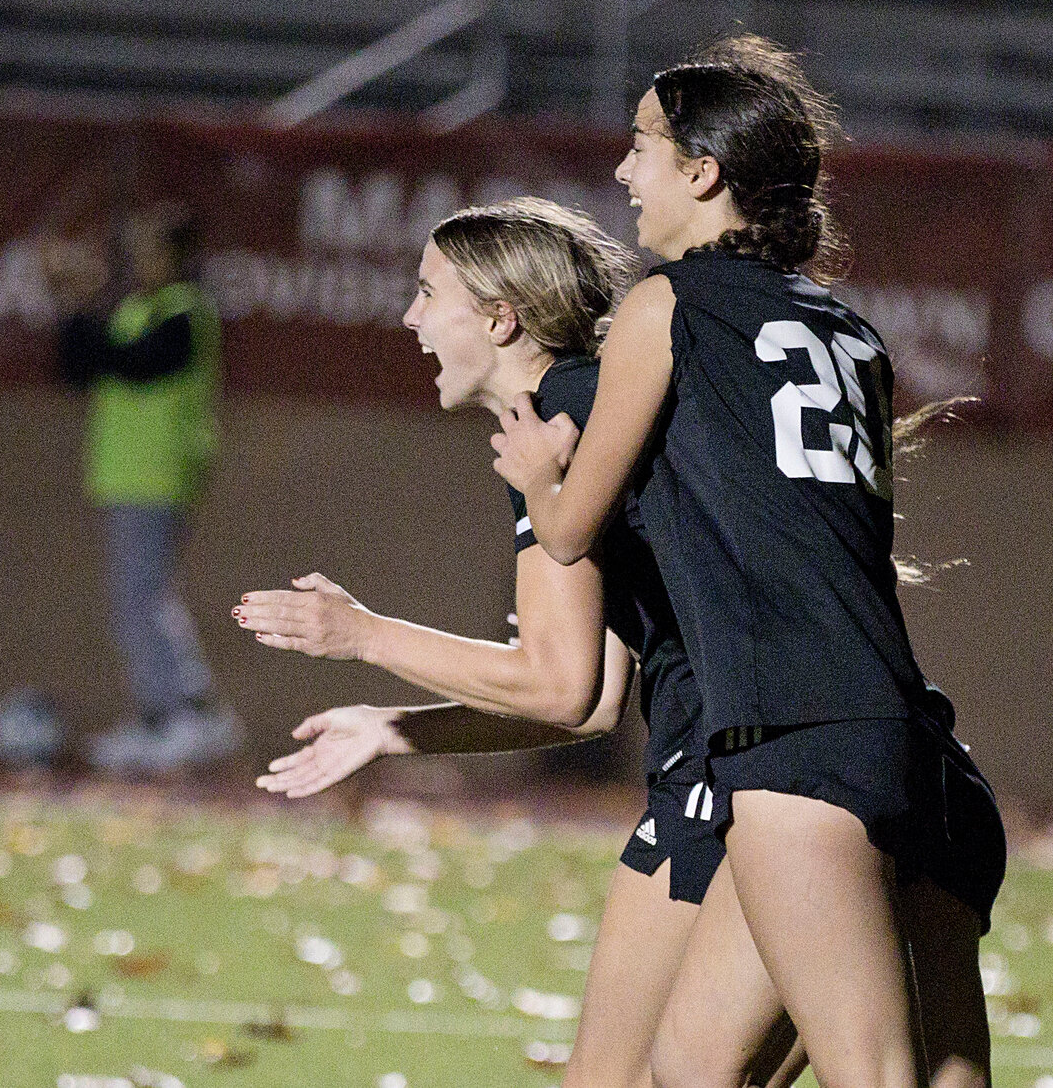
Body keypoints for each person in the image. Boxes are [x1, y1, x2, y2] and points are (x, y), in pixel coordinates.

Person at [492, 37, 1006, 1088]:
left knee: (870, 1067)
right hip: (889, 731)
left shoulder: (665, 306)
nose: (625, 172)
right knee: (691, 1063)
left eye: (642, 147)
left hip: (797, 742)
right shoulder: (852, 333)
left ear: (702, 172)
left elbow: (572, 532)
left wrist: (540, 468)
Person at [233, 198, 804, 1088]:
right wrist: (399, 729)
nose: (410, 318)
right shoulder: (585, 404)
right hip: (804, 757)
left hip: (733, 766)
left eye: (428, 294)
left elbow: (558, 685)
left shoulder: (561, 421)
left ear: (500, 318)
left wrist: (361, 632)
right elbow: (596, 702)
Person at [48, 203, 239, 773]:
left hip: (158, 478)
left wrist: (83, 308)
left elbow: (133, 364)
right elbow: (78, 365)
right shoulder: (138, 309)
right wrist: (70, 303)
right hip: (125, 479)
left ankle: (188, 712)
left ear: (177, 254)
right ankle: (168, 712)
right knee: (137, 600)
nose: (139, 259)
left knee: (142, 599)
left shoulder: (185, 314)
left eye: (151, 248)